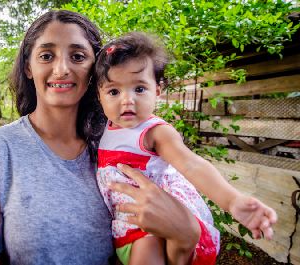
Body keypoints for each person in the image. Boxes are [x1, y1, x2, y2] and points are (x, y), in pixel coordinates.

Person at [0, 10, 205, 265]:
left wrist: (185, 236)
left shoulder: (123, 148)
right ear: (29, 66)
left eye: (78, 56)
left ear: (97, 70)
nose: (62, 69)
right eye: (46, 55)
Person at [94, 32, 278, 265]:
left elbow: (191, 164)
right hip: (123, 221)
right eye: (114, 91)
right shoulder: (107, 128)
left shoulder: (154, 132)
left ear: (157, 90)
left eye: (139, 89)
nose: (127, 100)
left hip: (149, 225)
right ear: (100, 96)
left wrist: (231, 201)